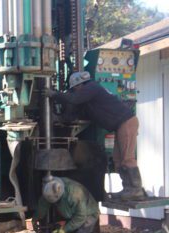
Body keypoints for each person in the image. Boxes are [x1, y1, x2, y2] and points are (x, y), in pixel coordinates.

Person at [48, 71, 145, 201]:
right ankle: (127, 189)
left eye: (75, 88)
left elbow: (75, 99)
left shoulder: (92, 87)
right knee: (117, 160)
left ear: (79, 84)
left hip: (126, 123)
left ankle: (136, 190)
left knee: (127, 159)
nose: (75, 91)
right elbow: (75, 112)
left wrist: (54, 95)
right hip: (120, 126)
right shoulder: (89, 98)